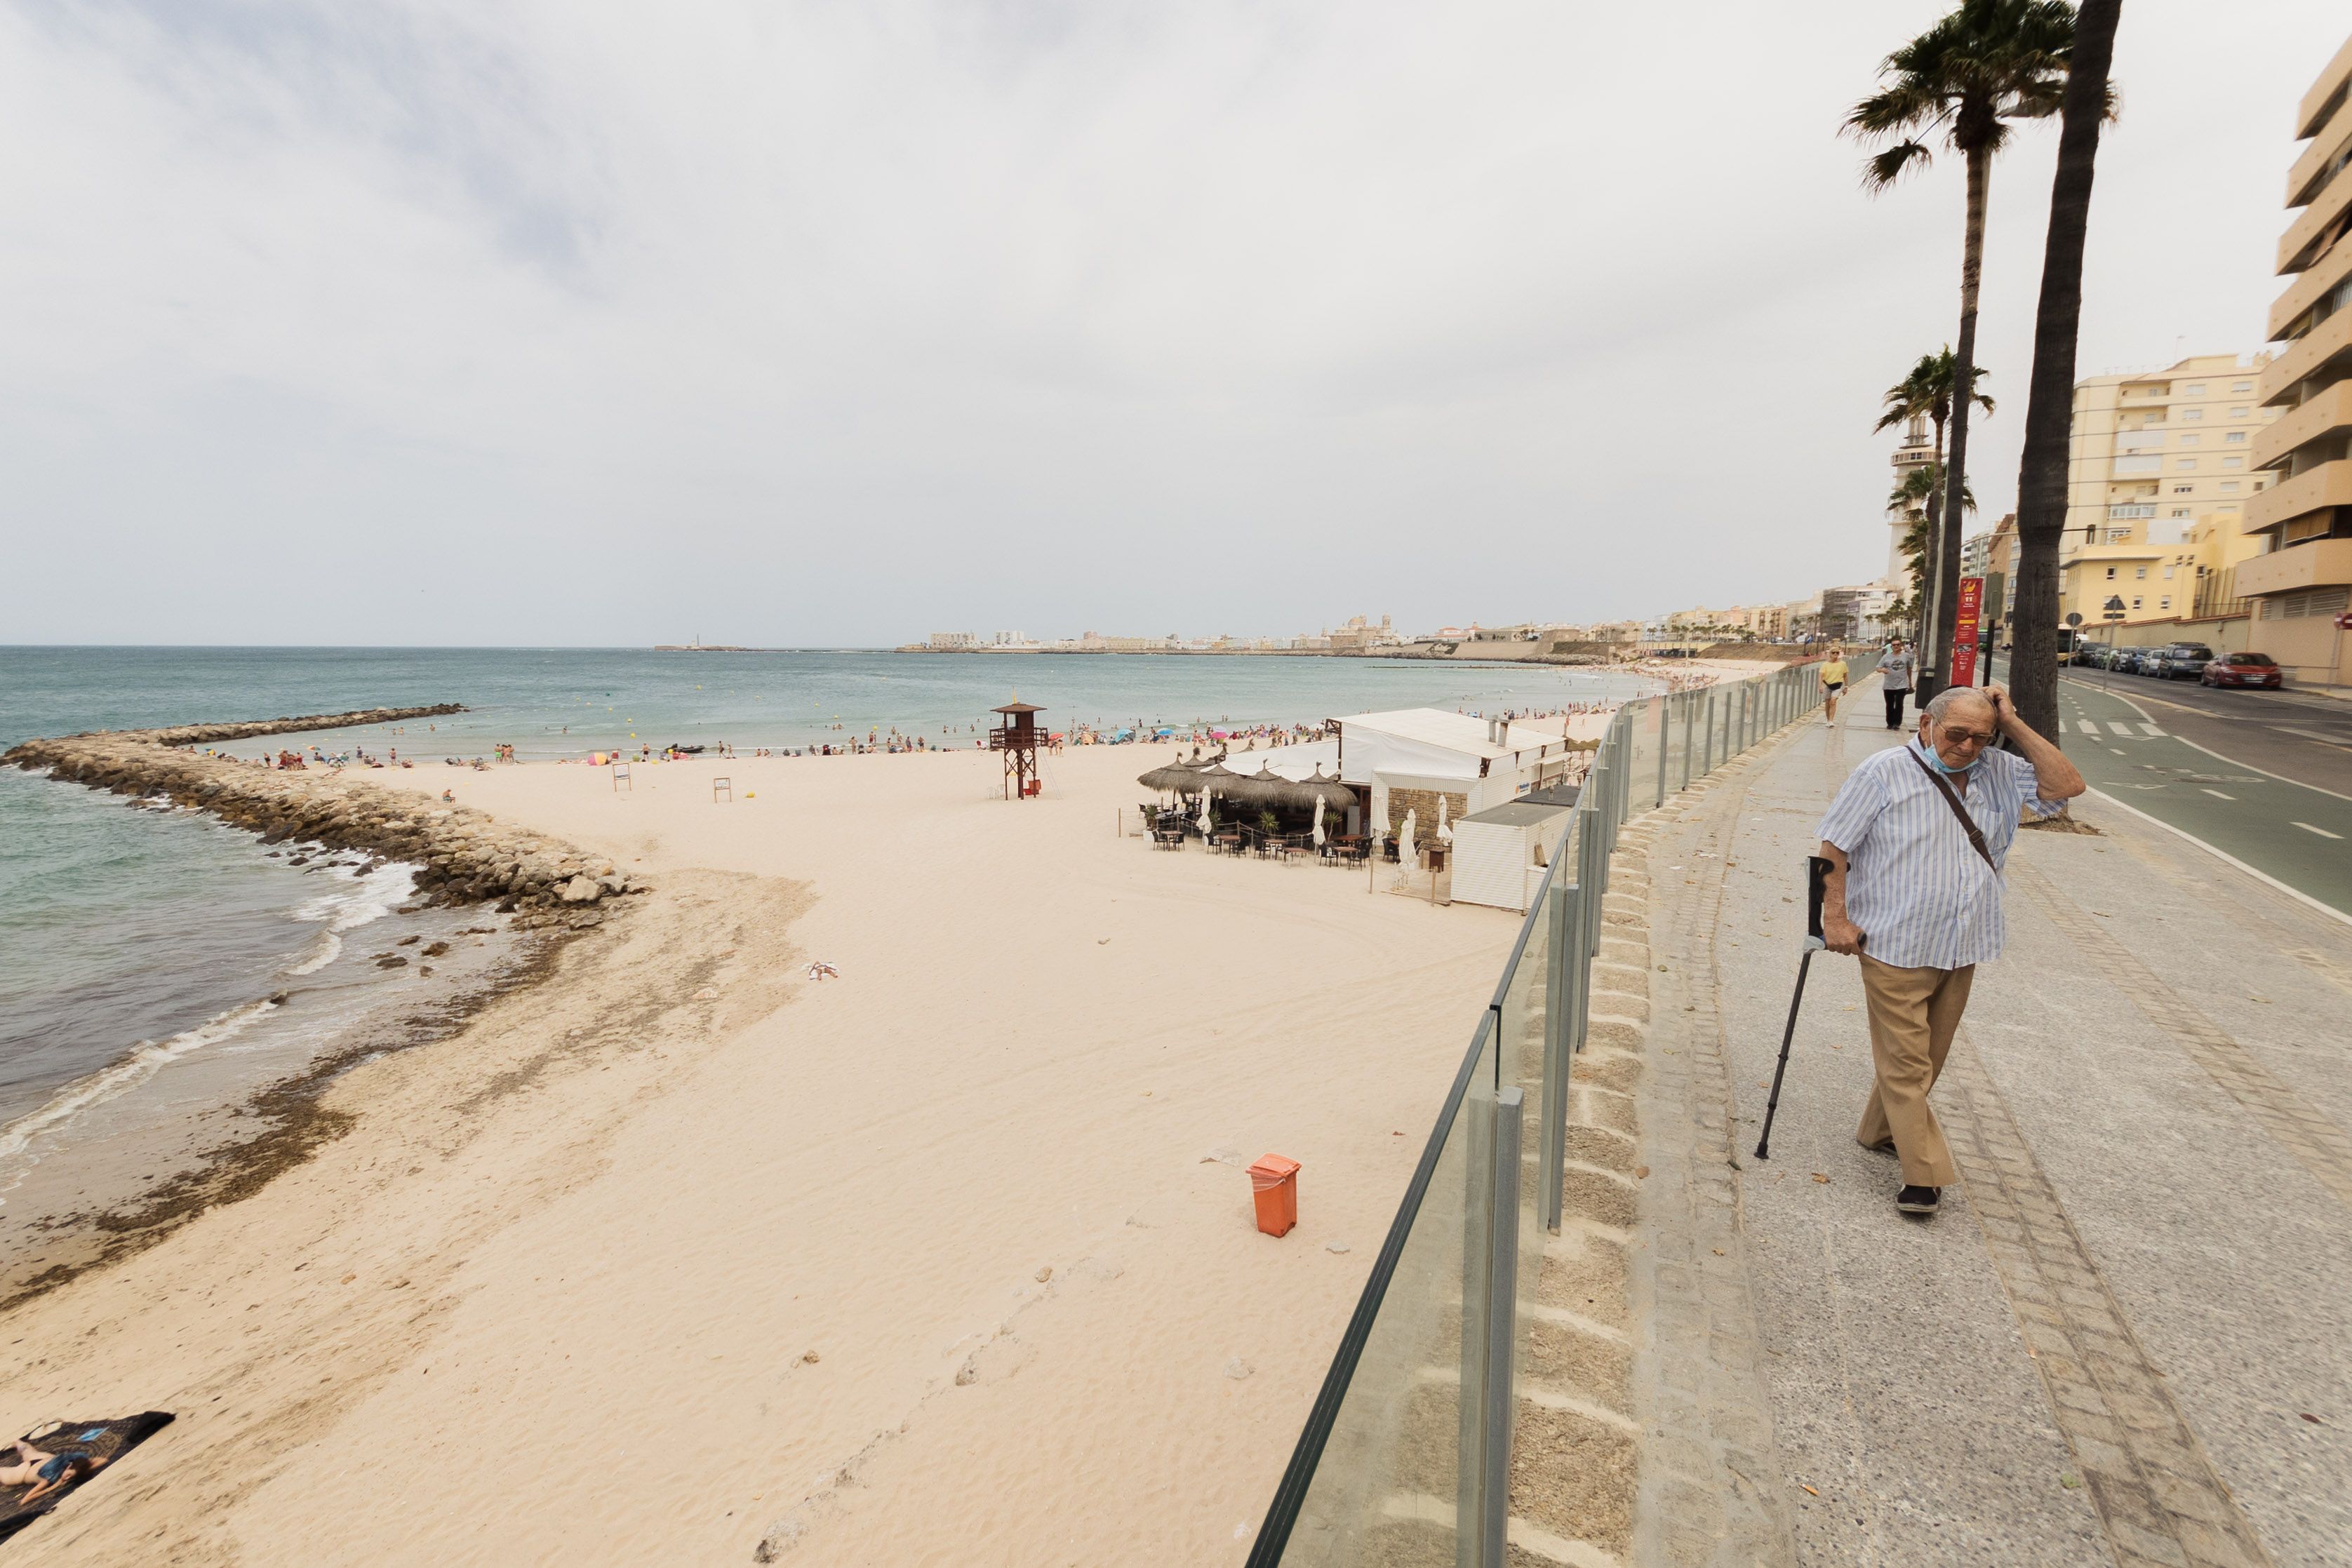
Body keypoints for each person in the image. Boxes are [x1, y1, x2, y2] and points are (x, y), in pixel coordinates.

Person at [1816, 683, 2085, 1218]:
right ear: (1926, 725)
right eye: (1955, 733)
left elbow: (2067, 785)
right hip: (1893, 939)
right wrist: (1835, 918)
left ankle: (1878, 1130)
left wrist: (2010, 724)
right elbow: (1834, 846)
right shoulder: (1883, 771)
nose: (1966, 746)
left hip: (1964, 941)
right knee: (1907, 1061)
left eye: (1979, 737)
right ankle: (1924, 1176)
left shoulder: (2001, 770)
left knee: (1927, 1058)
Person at [2, 1438, 107, 1505]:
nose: (67, 1478)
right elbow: (25, 1500)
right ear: (69, 1466)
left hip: (43, 1461)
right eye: (69, 1474)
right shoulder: (50, 1476)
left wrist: (82, 1470)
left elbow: (102, 1460)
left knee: (27, 1451)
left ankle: (17, 1442)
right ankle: (17, 1442)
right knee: (27, 1452)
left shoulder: (67, 1463)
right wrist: (53, 1487)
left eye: (71, 1477)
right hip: (26, 1470)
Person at [1879, 638, 1916, 730]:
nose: (1896, 646)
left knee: (1899, 704)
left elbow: (1909, 669)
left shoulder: (1906, 656)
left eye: (1898, 644)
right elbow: (1878, 667)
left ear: (1901, 646)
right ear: (1891, 647)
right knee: (1890, 705)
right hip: (1889, 685)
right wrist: (1882, 670)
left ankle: (1897, 723)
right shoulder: (1886, 657)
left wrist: (1910, 682)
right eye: (1894, 645)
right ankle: (1890, 723)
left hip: (1902, 684)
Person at [1818, 645, 1850, 727]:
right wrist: (1820, 686)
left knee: (1833, 701)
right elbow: (1821, 676)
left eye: (1837, 653)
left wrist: (1846, 687)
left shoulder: (1843, 664)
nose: (1835, 654)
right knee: (1827, 703)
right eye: (1833, 653)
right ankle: (1828, 720)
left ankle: (1831, 720)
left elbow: (1845, 676)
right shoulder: (1825, 664)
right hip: (1828, 685)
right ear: (1830, 654)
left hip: (1838, 685)